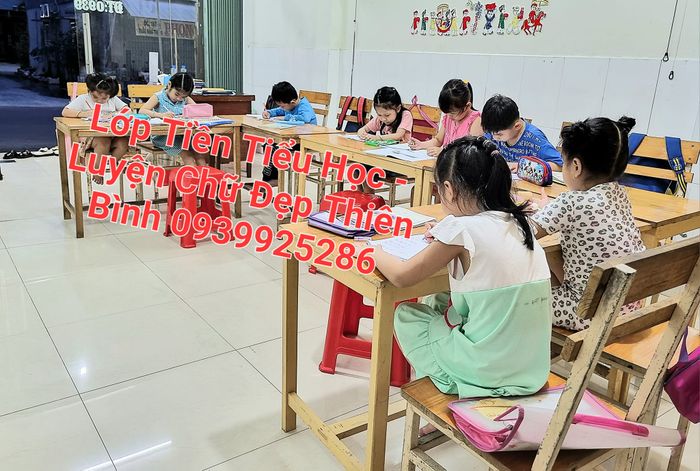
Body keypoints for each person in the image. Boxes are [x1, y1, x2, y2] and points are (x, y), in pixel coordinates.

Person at [531, 116, 645, 331]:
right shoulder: (620, 195)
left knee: (520, 299)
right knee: (549, 256)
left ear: (575, 166)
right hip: (626, 306)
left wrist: (538, 210)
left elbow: (523, 234)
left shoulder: (571, 201)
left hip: (586, 313)